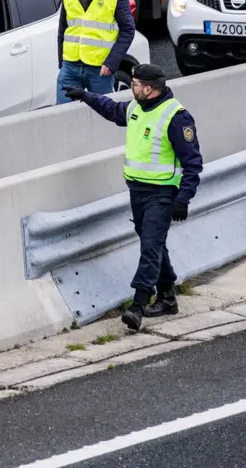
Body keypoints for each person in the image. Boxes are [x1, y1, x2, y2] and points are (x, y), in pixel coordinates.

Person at [64, 63, 203, 331]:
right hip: (137, 191)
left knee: (150, 247)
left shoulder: (176, 117)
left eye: (136, 85)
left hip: (162, 194)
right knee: (154, 244)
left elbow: (193, 163)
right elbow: (112, 110)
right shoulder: (136, 107)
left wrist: (183, 198)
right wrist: (85, 96)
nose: (132, 87)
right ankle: (167, 297)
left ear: (149, 90)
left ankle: (138, 305)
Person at [57, 0, 136, 104]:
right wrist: (62, 62)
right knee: (62, 116)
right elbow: (63, 29)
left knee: (105, 116)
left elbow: (128, 30)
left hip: (99, 69)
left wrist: (111, 63)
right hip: (70, 67)